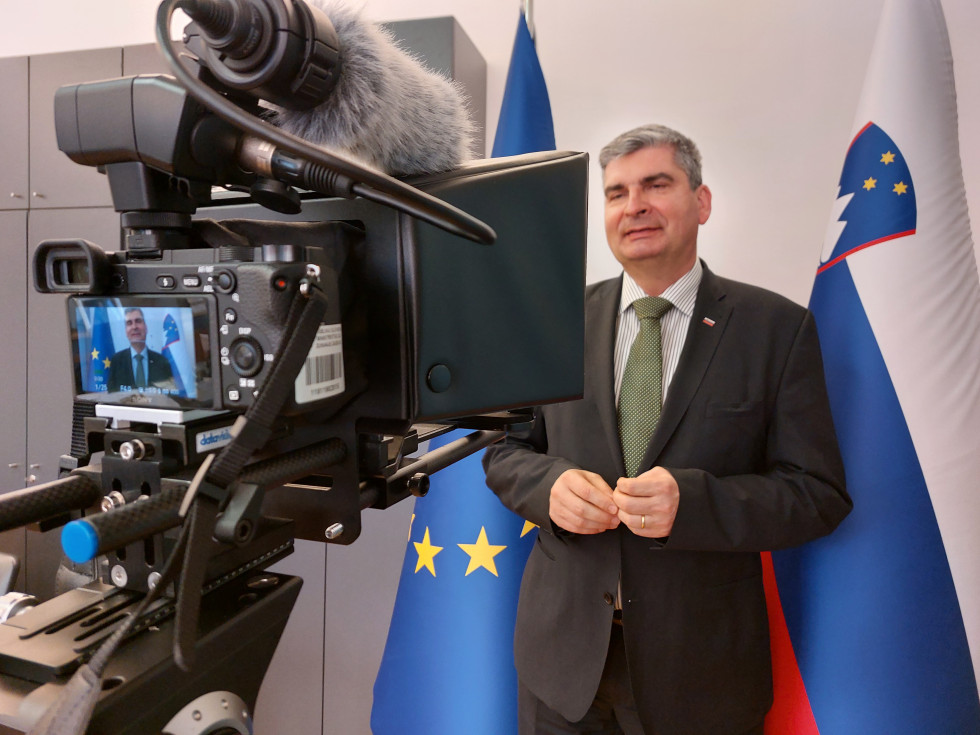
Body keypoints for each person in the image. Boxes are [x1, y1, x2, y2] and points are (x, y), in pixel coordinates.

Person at [482, 124, 852, 735]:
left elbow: (817, 493)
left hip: (703, 672)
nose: (636, 206)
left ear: (701, 202)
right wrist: (548, 486)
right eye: (617, 192)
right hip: (562, 664)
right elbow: (504, 450)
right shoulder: (553, 323)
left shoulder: (776, 330)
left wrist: (697, 502)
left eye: (657, 184)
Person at [106, 307, 173, 392]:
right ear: (126, 331)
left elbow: (168, 396)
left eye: (138, 321)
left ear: (146, 327)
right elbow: (112, 395)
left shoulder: (162, 362)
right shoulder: (116, 361)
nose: (134, 327)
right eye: (129, 323)